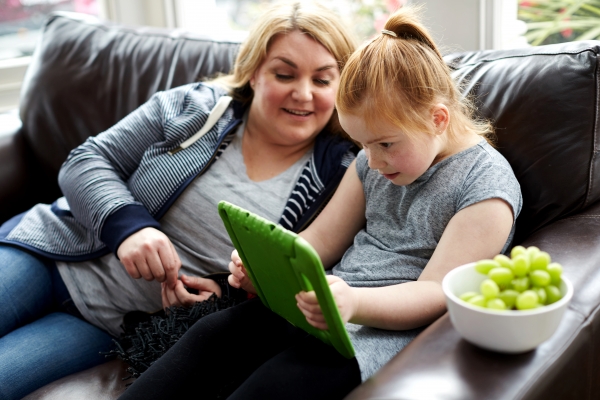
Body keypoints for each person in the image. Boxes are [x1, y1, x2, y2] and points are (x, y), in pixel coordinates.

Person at [116, 6, 523, 400]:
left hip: (381, 336)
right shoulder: (372, 161)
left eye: (385, 144)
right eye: (363, 144)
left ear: (438, 119)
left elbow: (437, 293)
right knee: (209, 337)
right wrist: (268, 265)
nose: (373, 161)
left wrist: (354, 302)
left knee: (274, 384)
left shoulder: (485, 185)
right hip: (327, 305)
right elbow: (321, 240)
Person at [0, 2, 358, 399]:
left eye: (323, 80)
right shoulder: (197, 106)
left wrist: (220, 295)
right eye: (284, 73)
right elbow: (85, 161)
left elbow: (291, 278)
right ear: (255, 73)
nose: (303, 93)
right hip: (50, 254)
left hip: (107, 322)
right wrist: (129, 228)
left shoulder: (341, 176)